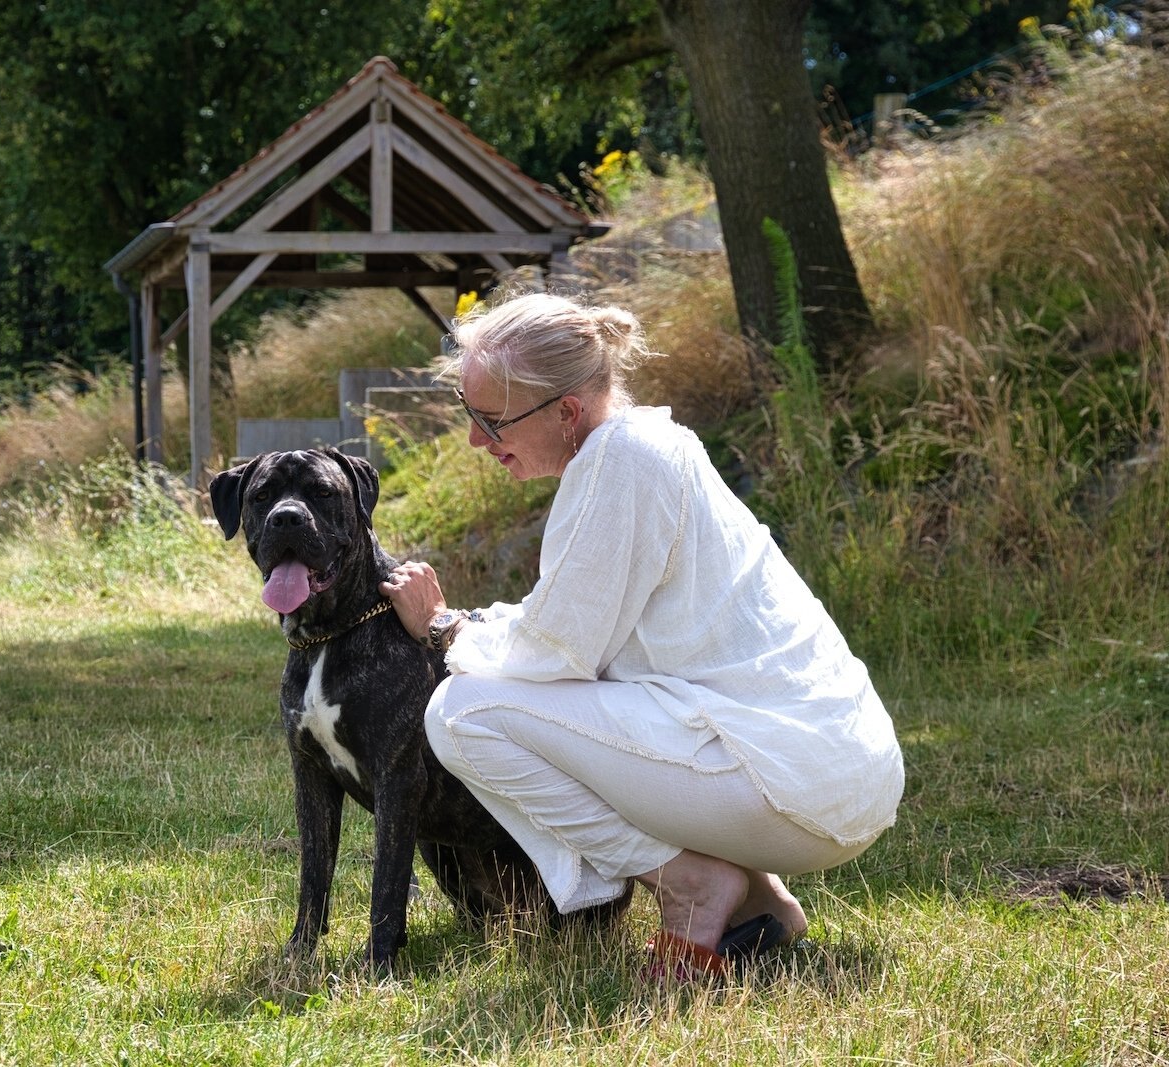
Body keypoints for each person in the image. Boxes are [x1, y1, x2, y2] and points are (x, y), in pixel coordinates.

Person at [379, 291, 904, 980]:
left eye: (489, 417)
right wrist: (474, 623)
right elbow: (562, 619)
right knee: (569, 700)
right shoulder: (646, 447)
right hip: (826, 774)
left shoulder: (617, 467)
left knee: (463, 713)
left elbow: (554, 655)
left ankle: (690, 883)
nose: (476, 437)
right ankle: (755, 898)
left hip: (793, 785)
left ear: (565, 412)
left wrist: (445, 629)